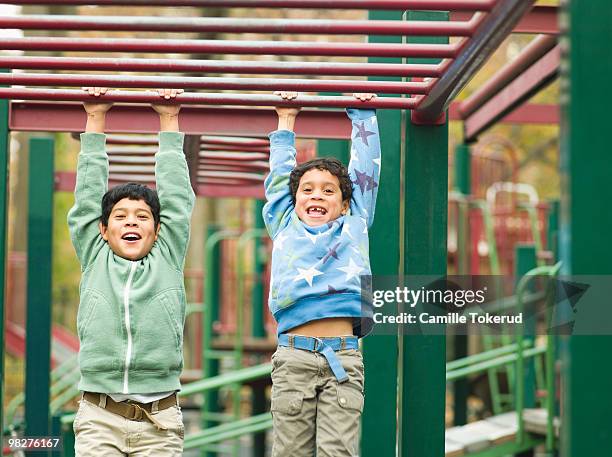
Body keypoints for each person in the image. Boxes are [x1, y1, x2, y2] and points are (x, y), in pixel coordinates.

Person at [67, 87, 195, 456]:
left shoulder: (168, 256)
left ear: (157, 229)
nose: (131, 222)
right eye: (120, 217)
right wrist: (95, 119)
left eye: (142, 217)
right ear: (103, 230)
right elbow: (87, 199)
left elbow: (177, 201)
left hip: (160, 418)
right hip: (99, 415)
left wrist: (168, 120)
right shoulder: (95, 256)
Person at [264, 91, 381, 456]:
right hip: (293, 357)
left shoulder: (355, 223)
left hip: (343, 357)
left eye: (328, 191)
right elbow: (279, 178)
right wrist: (285, 121)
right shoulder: (284, 224)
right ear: (294, 199)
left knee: (339, 452)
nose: (316, 196)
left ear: (344, 203)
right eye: (307, 190)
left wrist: (363, 116)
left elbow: (366, 171)